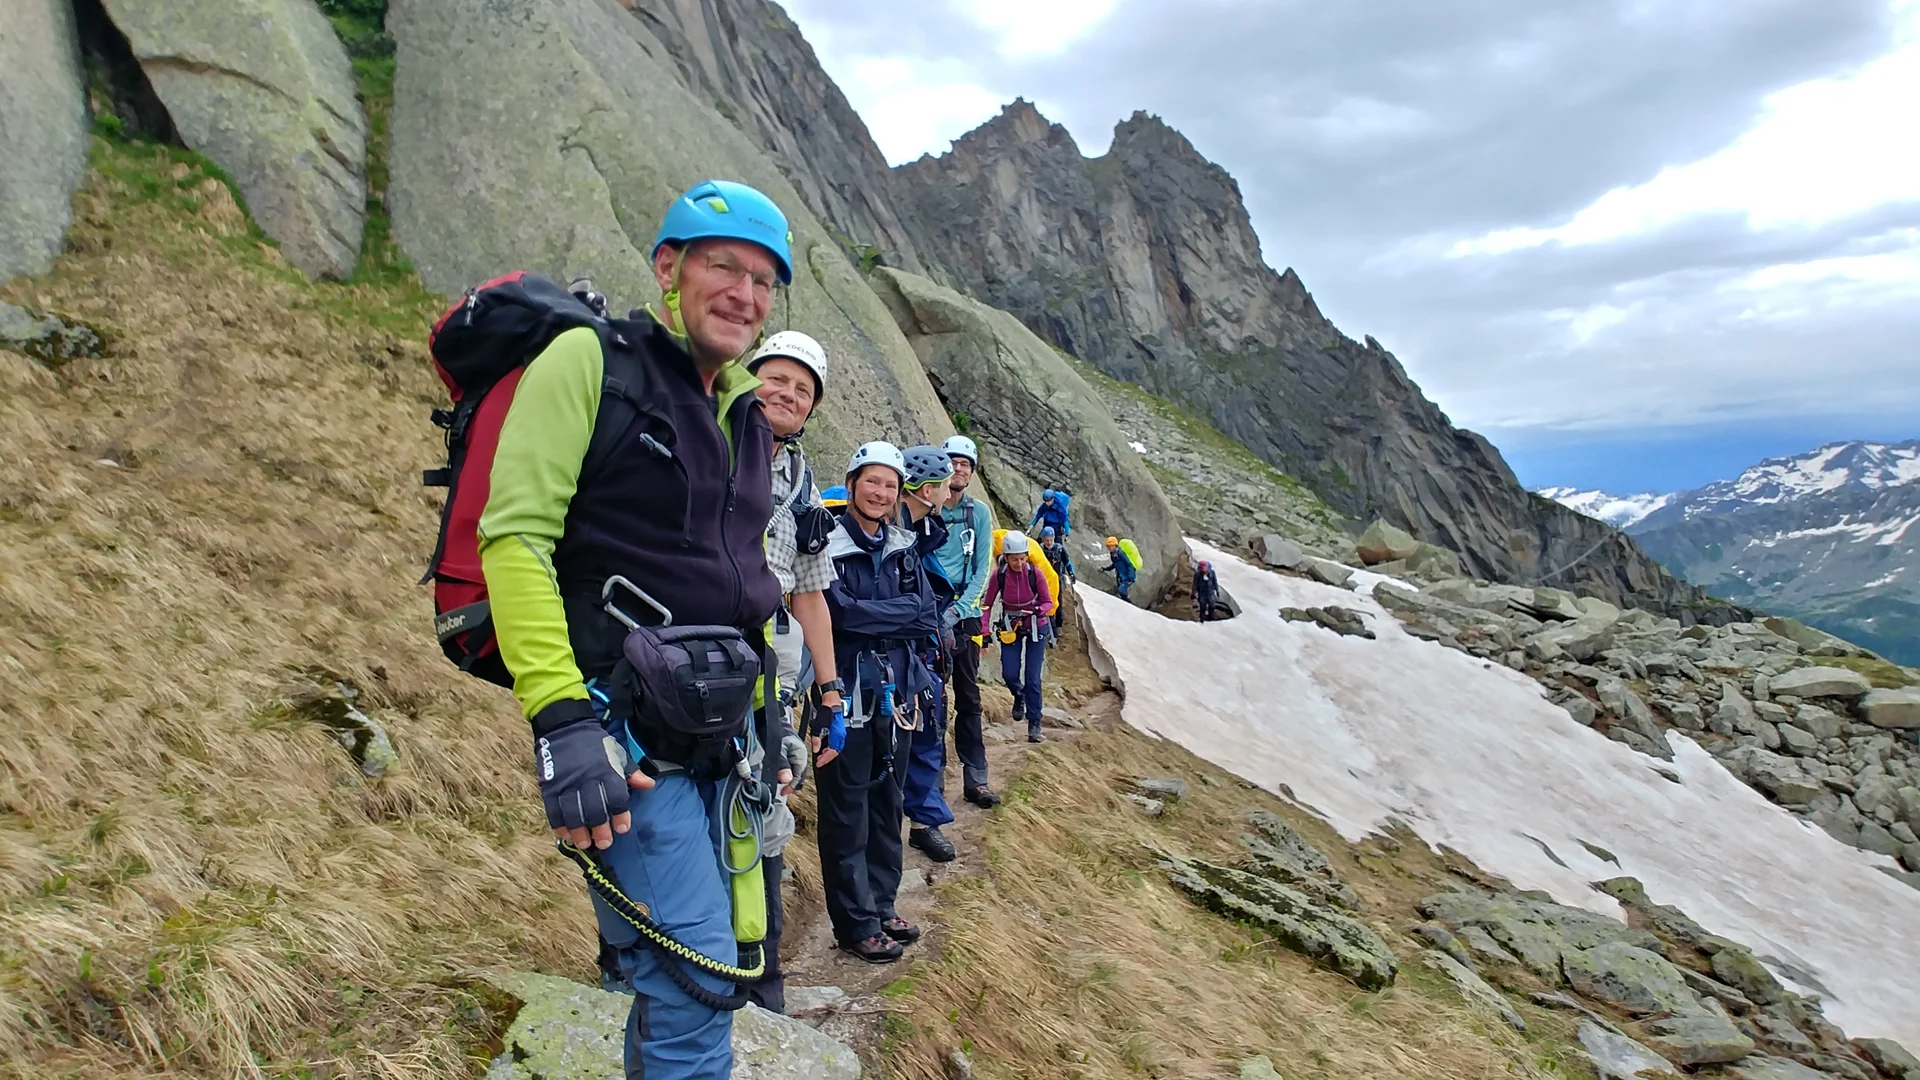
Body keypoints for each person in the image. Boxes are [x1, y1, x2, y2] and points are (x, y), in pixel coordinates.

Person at [480, 179, 792, 1078]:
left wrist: (769, 724)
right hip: (617, 735)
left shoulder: (744, 414)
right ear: (668, 268)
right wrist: (563, 721)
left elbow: (745, 588)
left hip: (715, 735)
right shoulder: (590, 363)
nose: (743, 293)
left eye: (763, 280)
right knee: (698, 979)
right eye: (721, 266)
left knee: (649, 965)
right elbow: (516, 538)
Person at [744, 329, 846, 1013]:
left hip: (770, 671)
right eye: (777, 378)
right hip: (694, 652)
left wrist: (831, 687)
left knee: (767, 807)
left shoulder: (802, 483)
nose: (788, 393)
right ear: (749, 378)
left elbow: (810, 593)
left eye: (802, 389)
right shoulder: (707, 441)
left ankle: (763, 987)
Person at [817, 441, 940, 963]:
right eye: (872, 481)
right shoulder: (825, 544)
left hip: (898, 689)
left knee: (887, 802)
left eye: (889, 485)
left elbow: (926, 613)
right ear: (851, 485)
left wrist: (874, 612)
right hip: (845, 691)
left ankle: (883, 905)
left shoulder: (902, 546)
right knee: (846, 809)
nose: (880, 492)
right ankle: (856, 924)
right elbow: (836, 616)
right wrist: (895, 612)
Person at [895, 446, 960, 862]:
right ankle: (911, 823)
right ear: (928, 488)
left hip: (921, 654)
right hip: (899, 655)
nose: (948, 493)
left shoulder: (920, 532)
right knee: (912, 739)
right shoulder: (895, 532)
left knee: (926, 734)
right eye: (945, 485)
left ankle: (922, 822)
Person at [933, 435, 999, 808]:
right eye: (953, 462)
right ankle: (934, 786)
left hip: (966, 618)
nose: (958, 469)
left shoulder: (980, 514)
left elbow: (982, 570)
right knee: (934, 700)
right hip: (930, 619)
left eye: (965, 464)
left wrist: (958, 611)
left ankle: (976, 779)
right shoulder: (928, 508)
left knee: (969, 696)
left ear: (971, 472)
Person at [983, 531, 1055, 742]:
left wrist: (1038, 610)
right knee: (1009, 673)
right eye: (1014, 559)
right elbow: (987, 604)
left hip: (1036, 625)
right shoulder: (1000, 575)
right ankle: (1018, 696)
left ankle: (1034, 723)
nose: (1019, 563)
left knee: (1033, 677)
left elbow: (1048, 602)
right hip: (1010, 627)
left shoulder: (1036, 573)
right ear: (1005, 557)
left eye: (1022, 558)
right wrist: (984, 632)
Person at [1100, 535, 1138, 601]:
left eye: (1110, 546)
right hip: (1121, 577)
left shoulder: (1120, 553)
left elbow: (1129, 564)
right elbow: (1115, 564)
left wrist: (1130, 577)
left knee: (1121, 591)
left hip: (1127, 577)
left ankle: (1128, 604)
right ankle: (1126, 603)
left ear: (1115, 545)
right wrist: (1105, 569)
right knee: (1121, 591)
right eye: (1108, 546)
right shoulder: (1113, 554)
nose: (1109, 548)